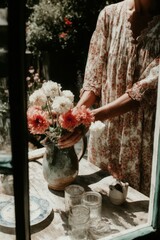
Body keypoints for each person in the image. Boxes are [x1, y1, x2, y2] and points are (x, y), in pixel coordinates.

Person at [58, 0, 160, 196]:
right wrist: (75, 117)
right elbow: (94, 80)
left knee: (136, 211)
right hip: (106, 138)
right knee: (98, 205)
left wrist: (90, 117)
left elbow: (144, 90)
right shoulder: (109, 15)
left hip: (143, 142)